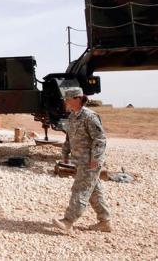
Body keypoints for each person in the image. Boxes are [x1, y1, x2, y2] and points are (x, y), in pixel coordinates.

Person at [52, 87, 112, 233]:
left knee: (80, 189)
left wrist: (96, 159)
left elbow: (100, 140)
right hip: (79, 160)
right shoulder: (72, 116)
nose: (65, 102)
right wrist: (65, 153)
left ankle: (68, 221)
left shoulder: (90, 117)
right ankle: (105, 222)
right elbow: (69, 137)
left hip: (90, 162)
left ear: (78, 99)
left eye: (68, 99)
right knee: (93, 191)